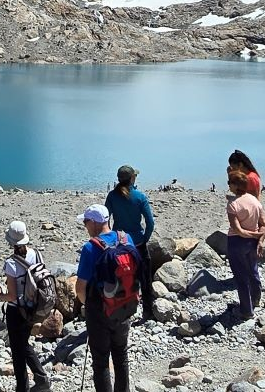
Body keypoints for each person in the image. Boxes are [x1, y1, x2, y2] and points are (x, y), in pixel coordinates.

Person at [75, 204, 138, 392]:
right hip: (125, 304)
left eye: (86, 222)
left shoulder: (90, 248)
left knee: (101, 361)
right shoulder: (127, 239)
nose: (85, 226)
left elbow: (80, 288)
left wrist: (90, 306)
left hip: (100, 310)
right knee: (121, 354)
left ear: (94, 223)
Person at [2, 222, 53, 392]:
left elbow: (12, 296)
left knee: (18, 351)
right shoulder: (36, 254)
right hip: (34, 306)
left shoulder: (11, 263)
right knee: (23, 344)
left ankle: (23, 387)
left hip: (17, 311)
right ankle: (41, 379)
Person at [105, 166, 158, 322]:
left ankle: (121, 312)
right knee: (145, 280)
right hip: (138, 244)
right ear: (132, 178)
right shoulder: (140, 197)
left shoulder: (112, 196)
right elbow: (150, 223)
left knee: (120, 279)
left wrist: (111, 238)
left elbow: (105, 219)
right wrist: (144, 239)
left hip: (119, 244)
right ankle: (147, 312)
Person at [225, 168, 265, 320]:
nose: (228, 185)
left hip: (237, 242)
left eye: (230, 182)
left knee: (241, 277)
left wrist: (254, 235)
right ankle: (255, 300)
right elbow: (264, 224)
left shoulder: (233, 205)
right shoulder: (254, 200)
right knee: (253, 271)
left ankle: (246, 310)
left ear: (236, 185)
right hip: (253, 242)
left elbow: (238, 230)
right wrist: (259, 238)